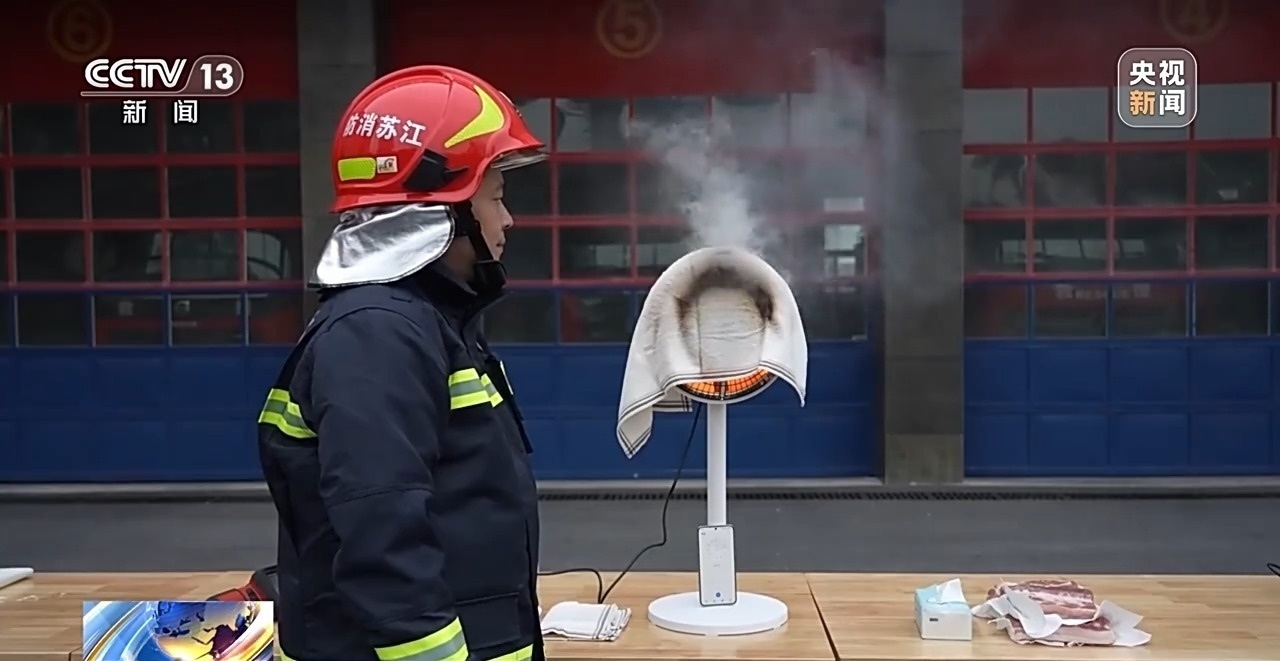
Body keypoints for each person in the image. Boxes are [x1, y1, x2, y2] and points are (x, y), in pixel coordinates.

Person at [256, 65, 546, 661]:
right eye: (495, 197)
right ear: (444, 209)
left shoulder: (423, 320)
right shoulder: (378, 333)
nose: (508, 219)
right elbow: (383, 539)